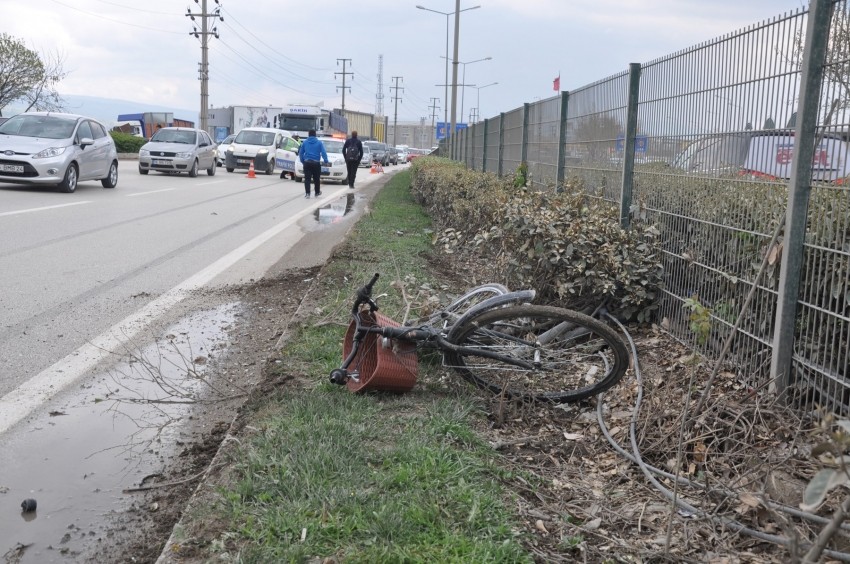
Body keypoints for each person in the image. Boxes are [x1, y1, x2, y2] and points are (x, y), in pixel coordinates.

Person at [298, 129, 329, 198]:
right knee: (316, 179)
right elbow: (323, 152)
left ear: (308, 135)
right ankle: (317, 192)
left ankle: (307, 193)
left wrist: (303, 161)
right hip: (316, 163)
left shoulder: (305, 142)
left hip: (307, 163)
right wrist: (326, 160)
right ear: (315, 135)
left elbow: (301, 153)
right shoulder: (319, 143)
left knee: (307, 179)